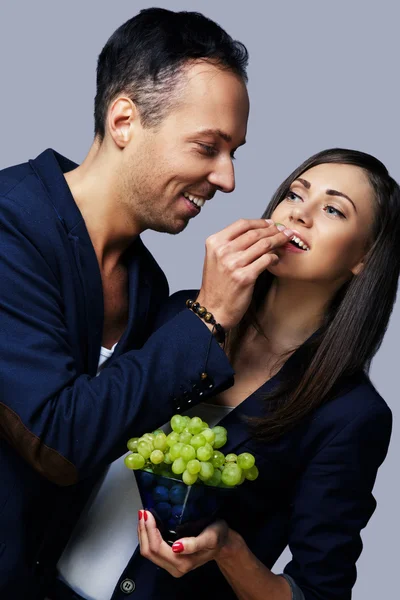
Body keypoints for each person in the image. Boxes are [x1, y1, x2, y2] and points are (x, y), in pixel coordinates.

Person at [0, 8, 296, 600]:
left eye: (234, 151)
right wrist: (208, 316)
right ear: (125, 120)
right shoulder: (10, 226)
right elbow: (60, 442)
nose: (229, 178)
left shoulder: (147, 285)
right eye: (208, 147)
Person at [133, 148, 400, 600]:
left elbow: (319, 592)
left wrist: (228, 549)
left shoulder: (351, 414)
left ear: (364, 258)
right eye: (295, 194)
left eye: (333, 209)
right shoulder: (182, 313)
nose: (300, 213)